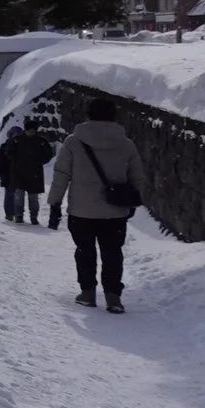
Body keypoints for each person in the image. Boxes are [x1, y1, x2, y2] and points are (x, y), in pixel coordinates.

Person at [46, 95, 147, 311]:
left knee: (85, 250)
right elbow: (137, 176)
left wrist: (55, 203)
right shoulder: (126, 144)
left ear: (89, 115)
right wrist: (132, 202)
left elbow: (61, 174)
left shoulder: (74, 142)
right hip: (115, 210)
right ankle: (113, 296)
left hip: (82, 210)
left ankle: (87, 292)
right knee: (112, 252)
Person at [0, 123, 53, 223]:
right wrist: (6, 171)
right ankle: (15, 215)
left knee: (30, 197)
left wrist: (38, 162)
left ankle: (31, 216)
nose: (31, 133)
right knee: (16, 196)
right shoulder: (14, 142)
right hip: (16, 173)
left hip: (30, 173)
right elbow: (3, 159)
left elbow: (48, 154)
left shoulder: (40, 141)